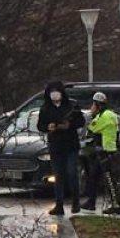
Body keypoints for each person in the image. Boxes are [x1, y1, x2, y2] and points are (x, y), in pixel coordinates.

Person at [37, 80, 85, 216]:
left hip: (71, 145)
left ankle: (75, 202)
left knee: (72, 172)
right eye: (52, 92)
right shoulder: (45, 108)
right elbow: (40, 125)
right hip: (56, 145)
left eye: (56, 91)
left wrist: (69, 125)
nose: (54, 94)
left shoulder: (71, 106)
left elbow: (81, 121)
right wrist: (48, 127)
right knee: (58, 175)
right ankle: (59, 205)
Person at [81, 92, 120, 215]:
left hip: (106, 151)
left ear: (98, 105)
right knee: (93, 176)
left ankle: (117, 206)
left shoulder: (105, 116)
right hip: (104, 151)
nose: (91, 107)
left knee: (109, 180)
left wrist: (90, 116)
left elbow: (92, 128)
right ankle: (91, 202)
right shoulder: (109, 114)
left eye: (93, 105)